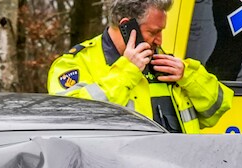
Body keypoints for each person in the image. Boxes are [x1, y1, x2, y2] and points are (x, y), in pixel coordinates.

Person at [47, 0, 231, 133]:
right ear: (127, 26)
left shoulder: (165, 62)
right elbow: (68, 119)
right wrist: (127, 71)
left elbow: (218, 108)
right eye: (154, 32)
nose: (160, 40)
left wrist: (189, 77)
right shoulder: (74, 64)